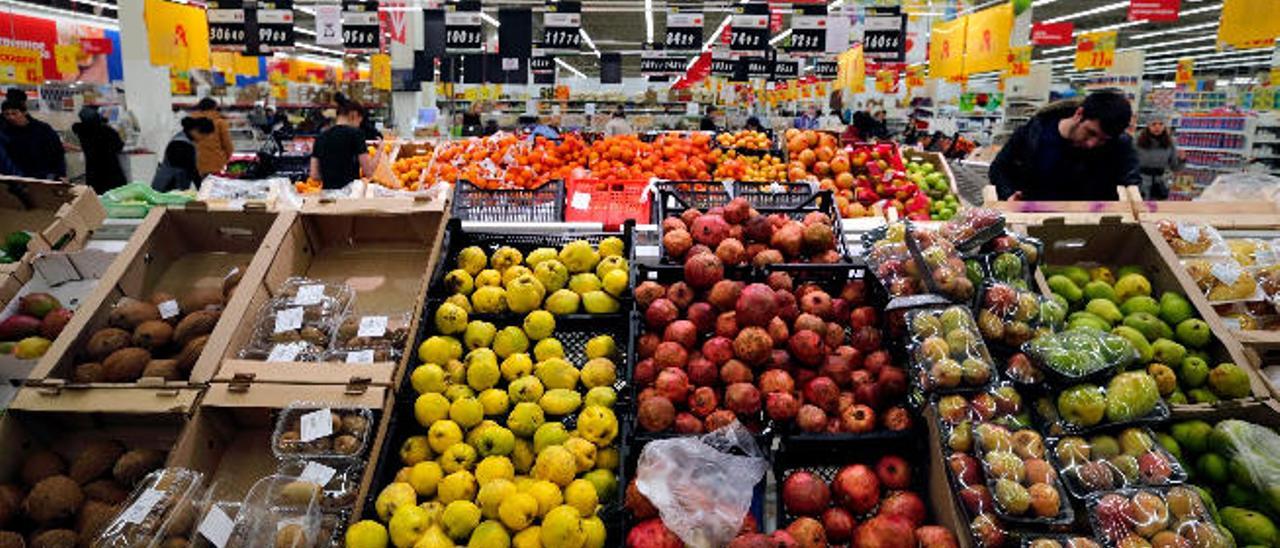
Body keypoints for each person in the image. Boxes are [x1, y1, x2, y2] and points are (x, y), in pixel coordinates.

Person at [989, 91, 1138, 201]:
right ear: (1079, 114)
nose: (1092, 144)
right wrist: (1008, 194)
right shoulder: (1035, 132)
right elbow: (998, 168)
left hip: (1090, 230)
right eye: (1091, 133)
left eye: (1103, 140)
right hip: (1032, 224)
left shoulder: (1119, 146)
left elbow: (1131, 184)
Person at [310, 102, 377, 190]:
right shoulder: (357, 135)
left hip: (327, 194)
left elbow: (314, 175)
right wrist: (379, 151)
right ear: (353, 115)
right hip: (350, 194)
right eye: (359, 122)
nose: (358, 125)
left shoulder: (320, 137)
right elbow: (368, 172)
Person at [1, 99, 65, 181]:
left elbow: (58, 152)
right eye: (7, 114)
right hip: (22, 178)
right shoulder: (6, 133)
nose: (11, 117)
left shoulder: (43, 129)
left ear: (24, 112)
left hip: (47, 176)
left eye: (14, 113)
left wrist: (61, 173)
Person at [71, 106, 126, 193]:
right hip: (111, 172)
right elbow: (119, 146)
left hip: (93, 174)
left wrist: (103, 120)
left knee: (98, 198)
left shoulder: (82, 131)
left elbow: (76, 126)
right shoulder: (108, 131)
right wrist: (104, 120)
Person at [152, 117, 213, 191]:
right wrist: (201, 189)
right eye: (203, 136)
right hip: (168, 186)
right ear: (196, 131)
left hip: (171, 184)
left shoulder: (182, 138)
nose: (202, 140)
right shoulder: (181, 144)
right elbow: (192, 170)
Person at [1135, 117, 1182, 200]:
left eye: (1161, 124)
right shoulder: (1137, 141)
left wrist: (1181, 160)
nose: (1157, 127)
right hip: (1141, 182)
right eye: (1154, 124)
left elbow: (1174, 167)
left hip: (1161, 183)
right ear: (1148, 126)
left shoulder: (1170, 143)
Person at [189, 98, 234, 178]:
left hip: (199, 164)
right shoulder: (220, 123)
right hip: (217, 164)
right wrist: (227, 159)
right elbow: (227, 145)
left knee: (204, 188)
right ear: (214, 108)